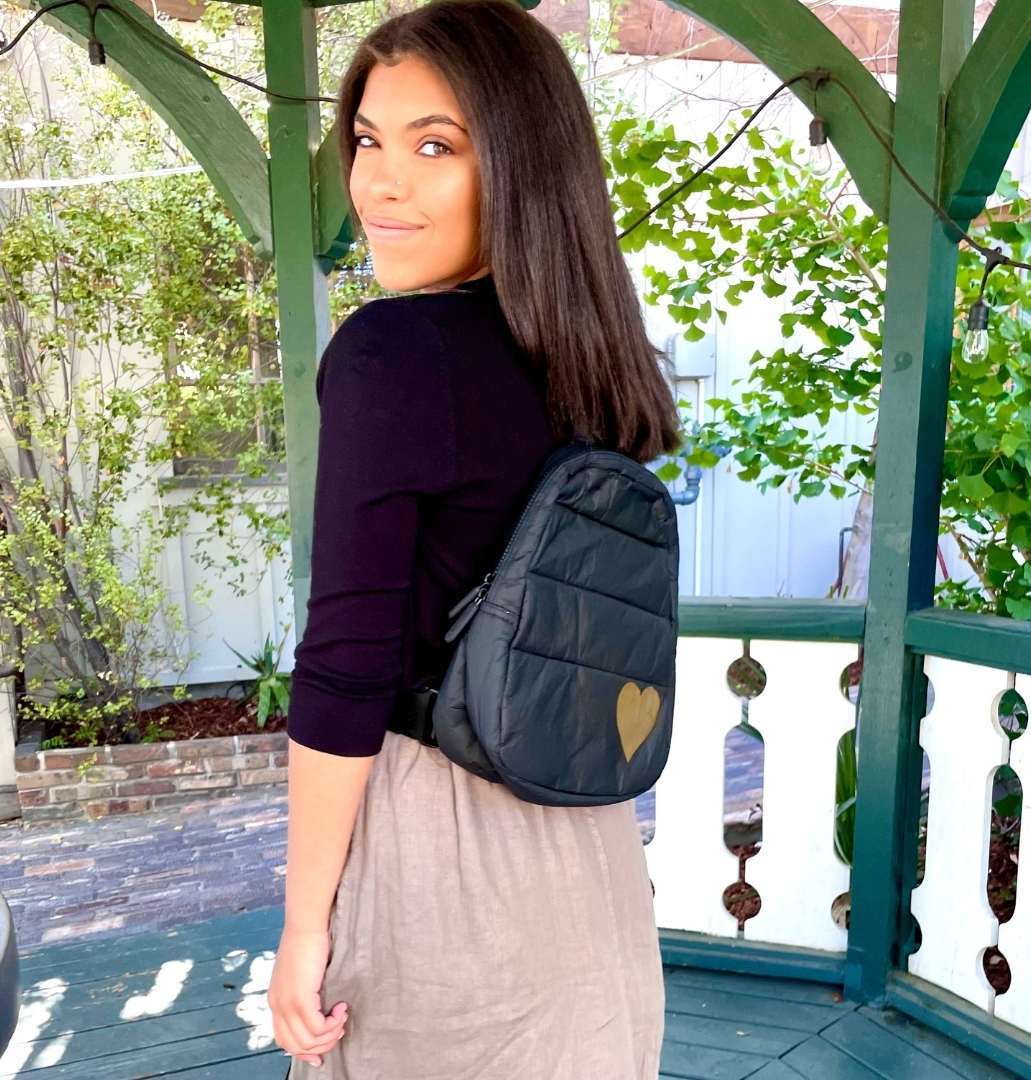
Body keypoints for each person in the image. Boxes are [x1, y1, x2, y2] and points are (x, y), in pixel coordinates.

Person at [268, 0, 683, 1075]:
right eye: (367, 140)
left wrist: (301, 927)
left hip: (439, 865)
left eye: (435, 146)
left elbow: (347, 665)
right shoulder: (590, 358)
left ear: (520, 169)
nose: (381, 183)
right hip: (589, 858)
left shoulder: (393, 355)